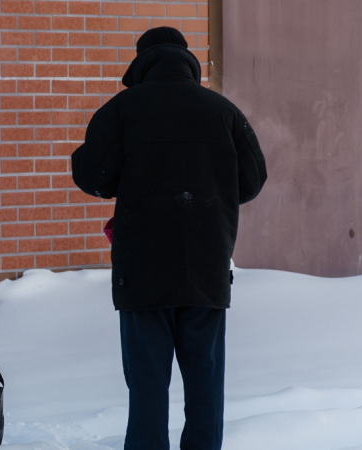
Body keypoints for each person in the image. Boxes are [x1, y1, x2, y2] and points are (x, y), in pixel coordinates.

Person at [71, 27, 267, 450]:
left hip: (143, 272)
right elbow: (252, 181)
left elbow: (93, 176)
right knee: (205, 387)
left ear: (141, 62)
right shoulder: (223, 111)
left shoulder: (121, 110)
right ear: (187, 60)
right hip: (206, 270)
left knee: (147, 388)